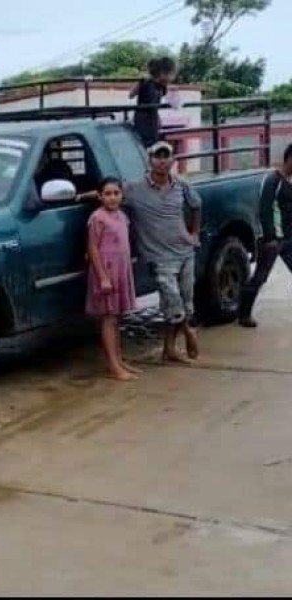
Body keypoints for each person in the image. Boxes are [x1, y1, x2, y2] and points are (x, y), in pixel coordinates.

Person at [124, 140, 202, 364]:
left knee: (185, 302)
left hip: (185, 252)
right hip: (159, 257)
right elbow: (108, 193)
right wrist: (81, 196)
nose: (162, 161)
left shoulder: (181, 185)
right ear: (149, 160)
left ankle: (169, 348)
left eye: (166, 156)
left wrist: (194, 234)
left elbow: (197, 205)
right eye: (157, 156)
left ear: (173, 161)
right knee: (173, 301)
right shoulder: (134, 189)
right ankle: (188, 331)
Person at [86, 177, 140, 381]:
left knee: (117, 318)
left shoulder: (122, 216)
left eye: (116, 193)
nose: (112, 198)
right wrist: (103, 277)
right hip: (106, 271)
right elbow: (92, 247)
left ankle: (119, 359)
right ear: (100, 196)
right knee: (108, 318)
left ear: (122, 195)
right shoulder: (97, 218)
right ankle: (113, 366)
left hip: (120, 269)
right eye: (107, 194)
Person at [238, 143, 292, 327]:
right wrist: (269, 237)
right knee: (260, 276)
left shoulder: (287, 182)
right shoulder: (273, 180)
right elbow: (265, 209)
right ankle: (243, 314)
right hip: (272, 239)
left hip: (287, 237)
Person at [129, 57, 177, 148]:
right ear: (163, 73)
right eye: (172, 74)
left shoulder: (161, 87)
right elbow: (131, 95)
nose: (173, 78)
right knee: (145, 145)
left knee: (152, 145)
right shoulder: (146, 82)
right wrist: (140, 82)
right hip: (142, 119)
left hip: (152, 119)